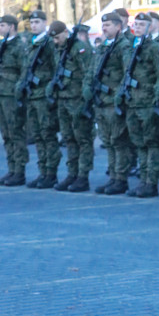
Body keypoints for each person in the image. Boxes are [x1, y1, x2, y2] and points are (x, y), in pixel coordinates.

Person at [117, 12, 159, 198]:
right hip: (133, 102)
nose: (137, 27)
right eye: (135, 24)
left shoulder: (155, 48)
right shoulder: (130, 47)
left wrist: (156, 98)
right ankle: (143, 180)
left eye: (141, 24)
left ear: (149, 26)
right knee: (139, 143)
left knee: (151, 142)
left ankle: (151, 182)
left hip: (147, 103)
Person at [84, 13, 132, 195]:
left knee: (118, 142)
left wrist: (118, 96)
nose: (104, 28)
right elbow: (92, 69)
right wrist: (87, 87)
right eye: (103, 25)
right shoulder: (103, 46)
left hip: (113, 102)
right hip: (100, 102)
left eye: (109, 25)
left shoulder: (124, 46)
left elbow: (127, 73)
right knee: (108, 142)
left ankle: (121, 179)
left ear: (118, 27)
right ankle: (113, 177)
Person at [16, 10, 61, 189]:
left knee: (47, 135)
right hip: (32, 96)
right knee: (38, 136)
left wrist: (49, 89)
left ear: (44, 23)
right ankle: (43, 172)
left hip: (44, 97)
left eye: (37, 22)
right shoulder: (32, 43)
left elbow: (56, 69)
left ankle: (51, 173)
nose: (33, 25)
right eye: (31, 22)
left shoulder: (49, 43)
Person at [48, 21, 94, 192]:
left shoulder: (79, 48)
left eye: (58, 37)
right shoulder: (58, 49)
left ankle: (83, 176)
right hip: (64, 99)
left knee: (83, 139)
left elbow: (88, 73)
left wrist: (86, 99)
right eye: (53, 38)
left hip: (78, 100)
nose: (55, 41)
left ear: (66, 33)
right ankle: (72, 173)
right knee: (69, 139)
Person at [0, 14, 29, 185]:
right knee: (6, 134)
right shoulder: (3, 45)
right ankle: (11, 169)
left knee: (16, 133)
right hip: (2, 94)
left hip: (12, 94)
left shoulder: (19, 46)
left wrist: (18, 90)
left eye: (3, 25)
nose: (0, 28)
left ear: (12, 26)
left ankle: (19, 170)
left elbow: (24, 70)